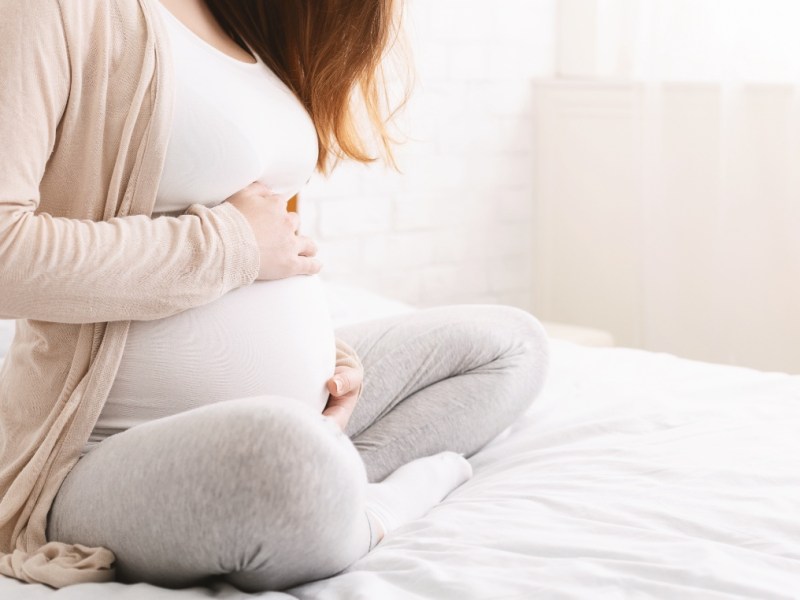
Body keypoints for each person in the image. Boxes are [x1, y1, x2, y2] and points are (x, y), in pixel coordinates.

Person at [0, 0, 550, 592]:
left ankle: (325, 482)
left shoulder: (246, 17)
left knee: (510, 345)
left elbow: (274, 242)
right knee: (281, 462)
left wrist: (324, 355)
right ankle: (369, 510)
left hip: (290, 423)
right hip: (102, 449)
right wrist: (231, 243)